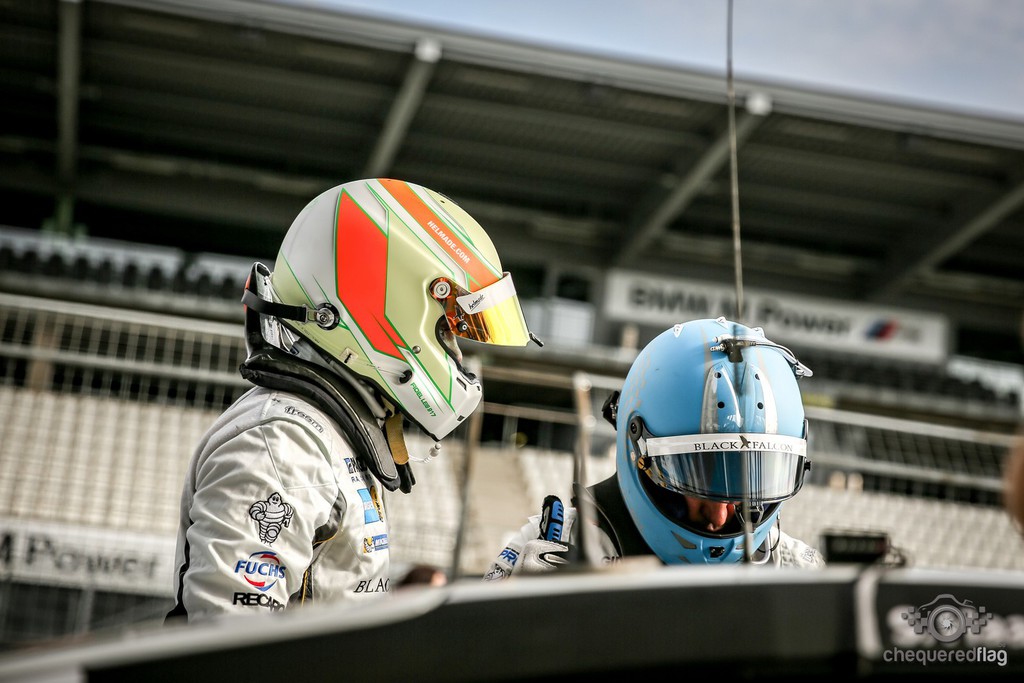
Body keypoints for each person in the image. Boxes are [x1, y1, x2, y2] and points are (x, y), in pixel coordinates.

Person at [167, 178, 540, 621]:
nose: (457, 357)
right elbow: (222, 645)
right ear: (390, 309)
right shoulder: (284, 444)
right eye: (447, 331)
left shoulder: (328, 436)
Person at [484, 317, 824, 578]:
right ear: (638, 454)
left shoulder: (798, 569)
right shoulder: (555, 546)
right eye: (700, 480)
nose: (719, 517)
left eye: (746, 485)